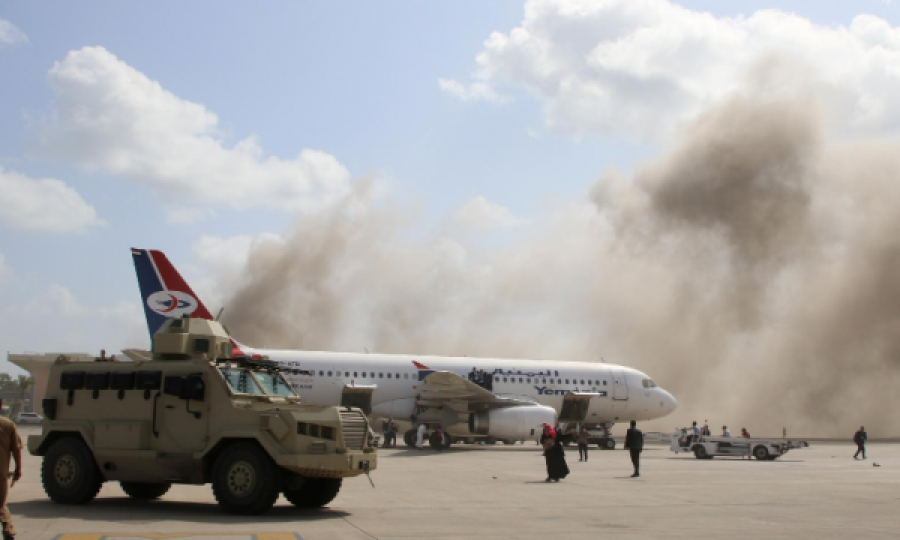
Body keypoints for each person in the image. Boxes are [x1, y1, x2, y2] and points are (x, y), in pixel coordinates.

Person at [0, 399, 21, 540]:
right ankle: (8, 530)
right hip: (1, 475)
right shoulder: (8, 425)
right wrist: (18, 469)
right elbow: (16, 449)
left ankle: (8, 530)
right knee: (1, 504)